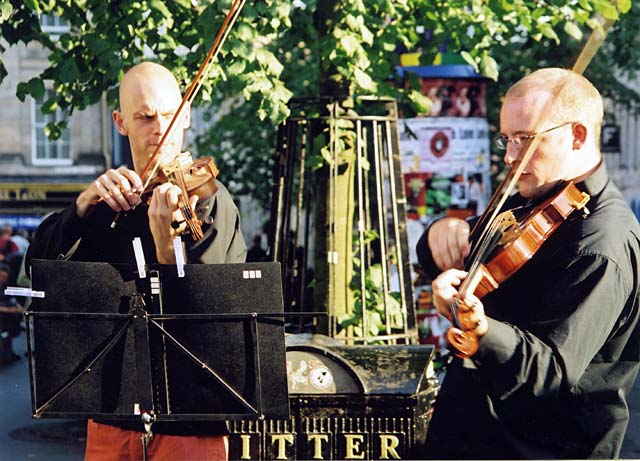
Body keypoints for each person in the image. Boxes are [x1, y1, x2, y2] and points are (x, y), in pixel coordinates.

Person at [26, 61, 246, 461]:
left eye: (168, 114)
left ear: (187, 115)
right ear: (120, 122)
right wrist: (80, 208)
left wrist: (168, 251)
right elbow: (40, 274)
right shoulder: (108, 206)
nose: (159, 128)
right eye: (144, 117)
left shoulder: (211, 202)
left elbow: (214, 321)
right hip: (112, 421)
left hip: (190, 427)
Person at [416, 68, 640, 459]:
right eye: (506, 138)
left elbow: (553, 370)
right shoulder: (533, 199)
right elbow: (465, 246)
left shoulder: (602, 243)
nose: (509, 156)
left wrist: (483, 330)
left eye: (525, 139)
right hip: (471, 438)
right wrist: (439, 233)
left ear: (578, 135)